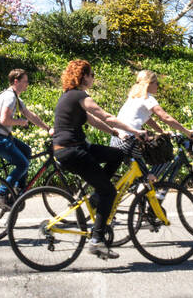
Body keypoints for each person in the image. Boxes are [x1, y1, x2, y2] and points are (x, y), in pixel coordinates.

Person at [53, 59, 146, 260]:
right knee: (109, 192)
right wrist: (133, 130)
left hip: (74, 147)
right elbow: (105, 115)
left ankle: (96, 196)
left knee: (117, 154)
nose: (93, 78)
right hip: (72, 151)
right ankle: (96, 240)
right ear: (83, 76)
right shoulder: (80, 95)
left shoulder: (69, 96)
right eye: (92, 74)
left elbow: (92, 120)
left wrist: (114, 132)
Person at [0, 68, 51, 209]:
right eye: (25, 81)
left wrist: (47, 128)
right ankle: (1, 193)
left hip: (3, 136)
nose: (27, 84)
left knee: (26, 151)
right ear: (16, 81)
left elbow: (30, 115)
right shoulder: (9, 97)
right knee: (23, 164)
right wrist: (20, 122)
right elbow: (4, 120)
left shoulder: (15, 97)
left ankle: (18, 190)